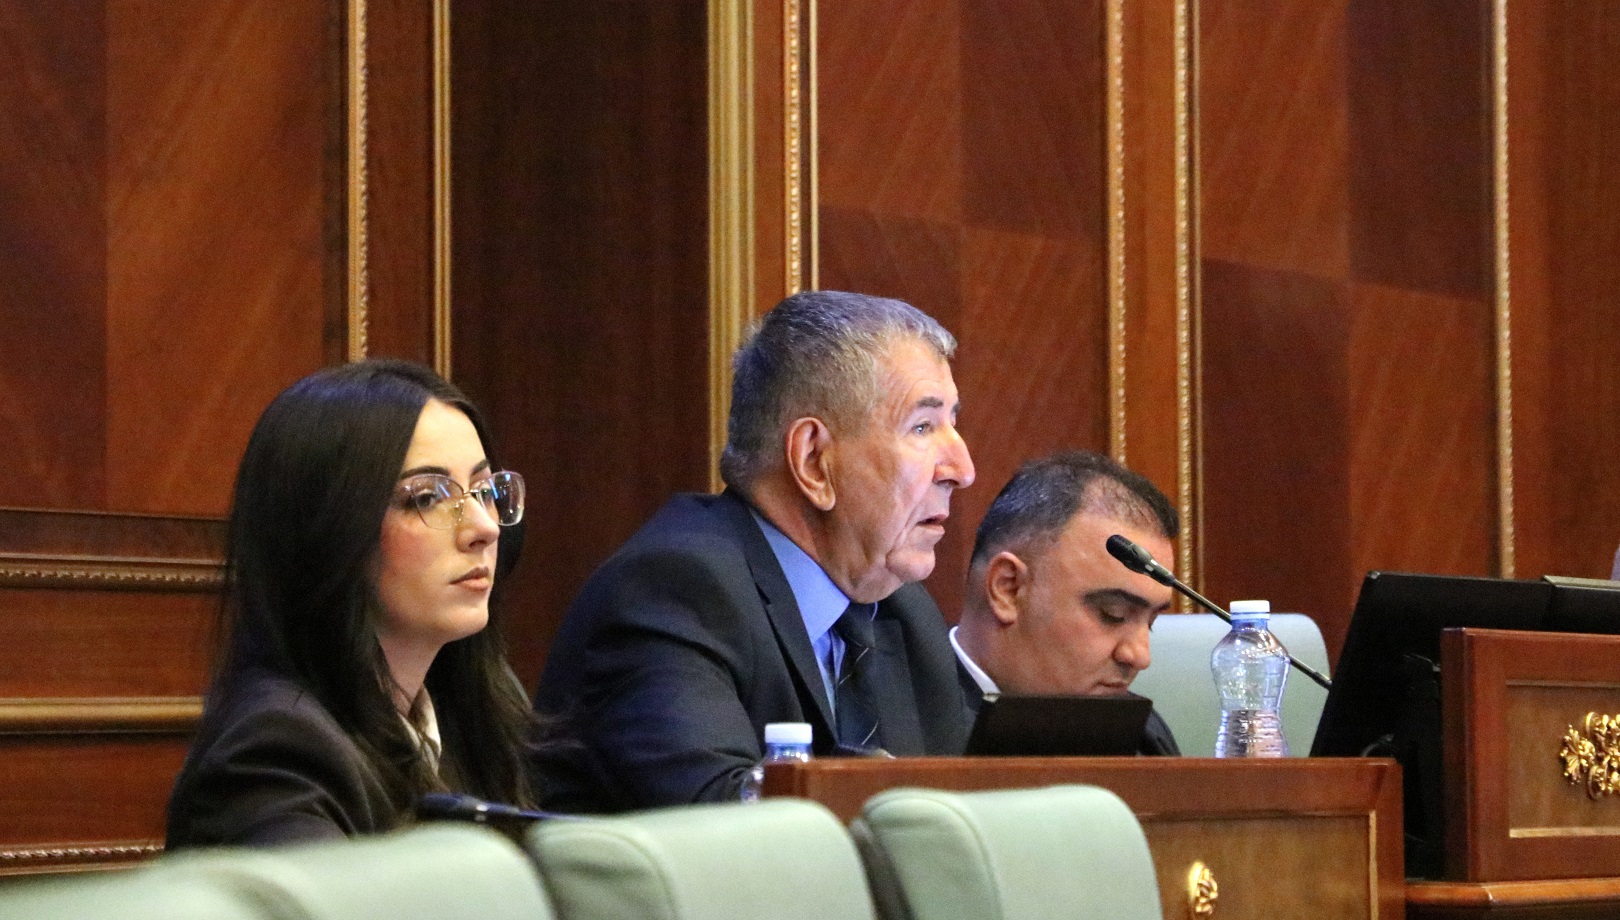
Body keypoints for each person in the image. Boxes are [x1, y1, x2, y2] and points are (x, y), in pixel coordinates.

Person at [534, 290, 976, 811]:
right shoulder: (676, 594)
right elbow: (725, 824)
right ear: (813, 461)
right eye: (922, 427)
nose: (962, 470)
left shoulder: (904, 615)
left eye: (952, 423)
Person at [166, 360, 538, 847]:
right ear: (330, 530)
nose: (485, 528)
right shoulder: (276, 752)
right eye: (427, 498)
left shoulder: (475, 712)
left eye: (485, 491)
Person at [954, 451, 1181, 755]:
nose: (1140, 657)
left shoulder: (1144, 735)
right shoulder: (904, 727)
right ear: (1008, 588)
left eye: (1150, 623)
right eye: (1113, 615)